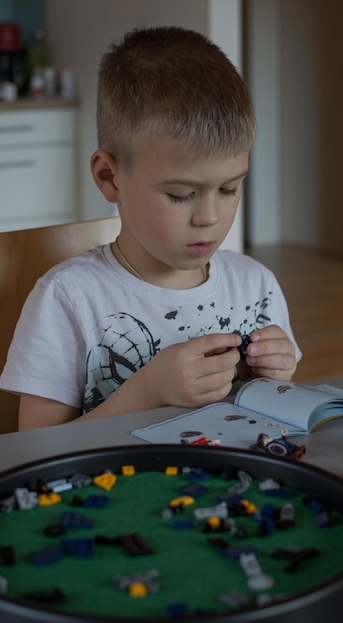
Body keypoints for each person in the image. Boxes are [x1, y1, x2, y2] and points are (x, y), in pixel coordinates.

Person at [0, 27, 301, 430]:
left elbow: (274, 420)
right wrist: (145, 393)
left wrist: (274, 381)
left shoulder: (256, 287)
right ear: (110, 177)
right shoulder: (67, 300)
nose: (209, 216)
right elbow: (35, 449)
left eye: (229, 188)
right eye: (180, 195)